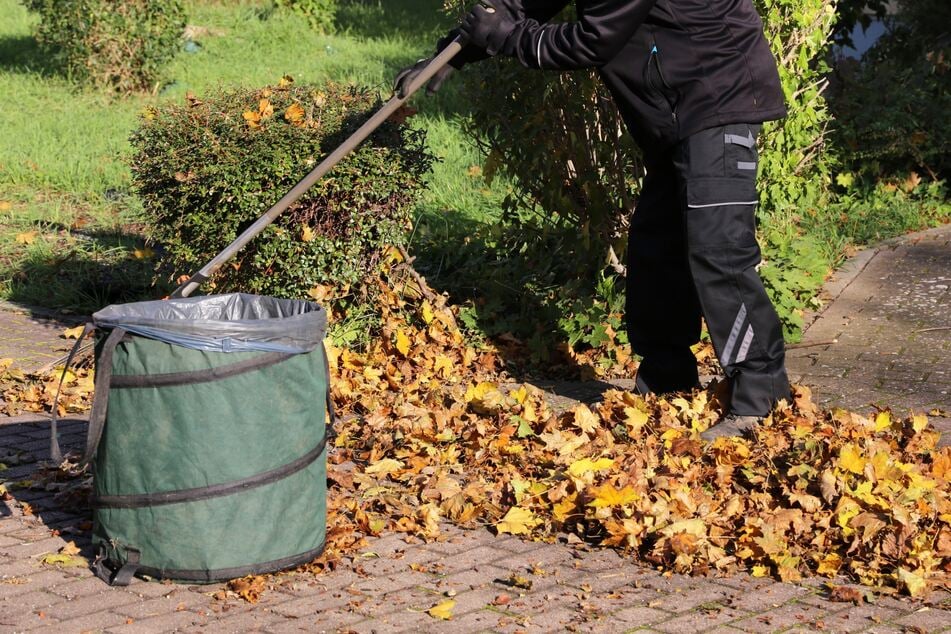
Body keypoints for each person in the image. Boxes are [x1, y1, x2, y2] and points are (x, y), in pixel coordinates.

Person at [395, 0, 792, 440]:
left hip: (718, 97)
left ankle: (761, 398)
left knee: (719, 252)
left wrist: (507, 37)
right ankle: (666, 381)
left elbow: (593, 40)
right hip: (675, 115)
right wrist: (455, 51)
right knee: (656, 248)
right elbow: (526, 2)